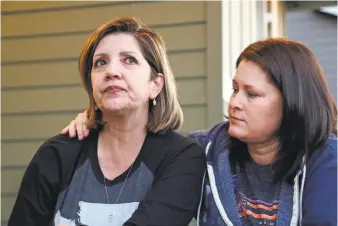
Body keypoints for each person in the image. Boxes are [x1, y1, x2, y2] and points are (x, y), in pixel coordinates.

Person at [62, 37, 338, 226]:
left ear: (292, 102)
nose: (235, 103)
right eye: (235, 89)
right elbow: (141, 142)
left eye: (251, 94)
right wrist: (102, 121)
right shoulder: (204, 151)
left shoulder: (327, 160)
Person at [8, 17, 206, 226]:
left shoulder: (182, 158)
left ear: (155, 85)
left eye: (129, 60)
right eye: (100, 62)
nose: (112, 72)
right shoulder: (56, 155)